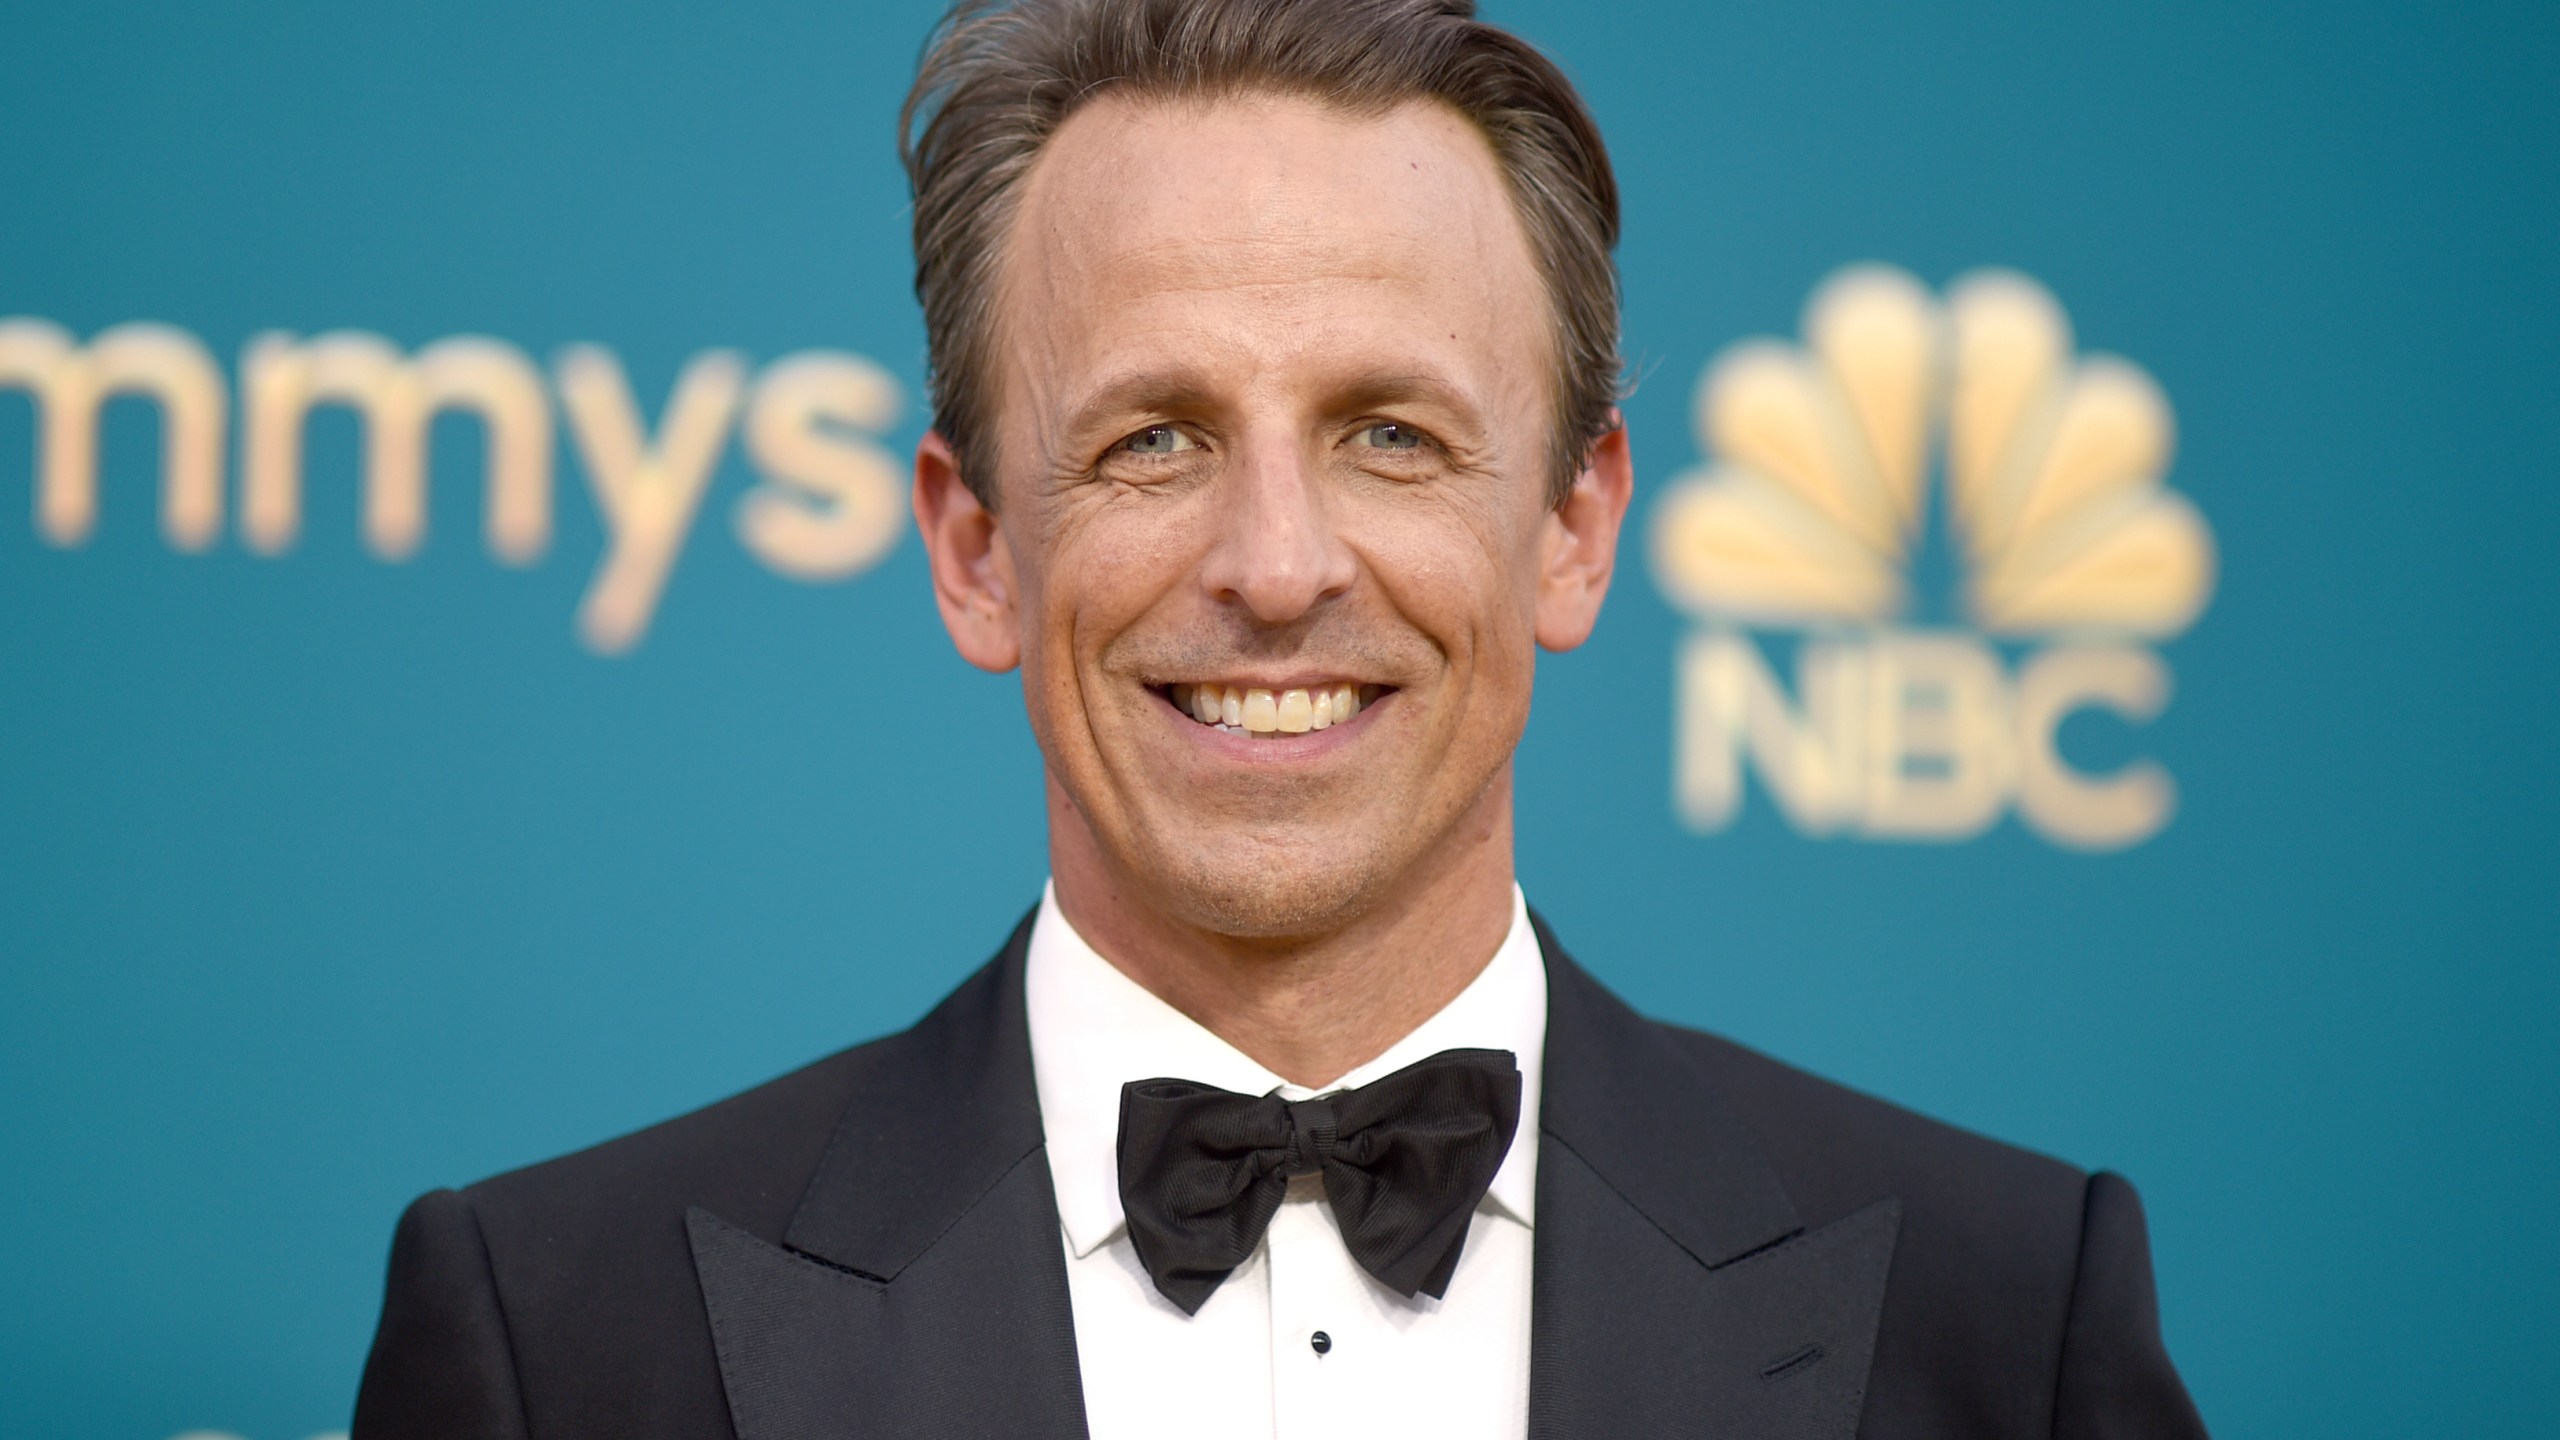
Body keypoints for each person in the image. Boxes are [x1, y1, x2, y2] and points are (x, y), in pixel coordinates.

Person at [353, 1, 2208, 1435]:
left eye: (1389, 435)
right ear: (978, 548)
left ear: (1572, 528)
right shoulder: (563, 1336)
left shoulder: (2002, 1319)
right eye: (1152, 438)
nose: (1274, 563)